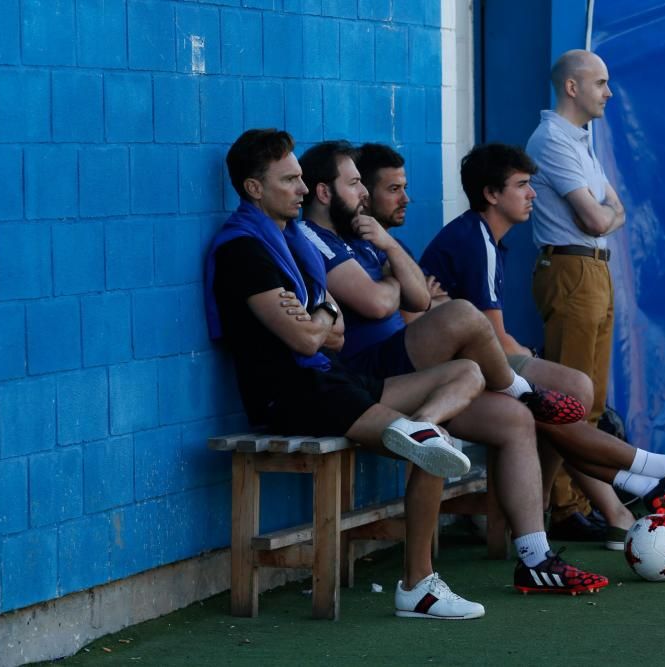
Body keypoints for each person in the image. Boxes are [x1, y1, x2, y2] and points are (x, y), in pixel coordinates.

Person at [296, 139, 610, 595]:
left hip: (410, 372)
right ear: (324, 193)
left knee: (515, 419)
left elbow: (418, 298)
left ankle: (535, 557)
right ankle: (529, 394)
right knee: (463, 314)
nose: (365, 192)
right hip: (367, 378)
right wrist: (392, 281)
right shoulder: (313, 238)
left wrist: (387, 251)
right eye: (356, 183)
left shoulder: (365, 240)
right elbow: (379, 299)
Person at [205, 128, 487, 620]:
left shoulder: (293, 242)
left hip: (333, 381)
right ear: (254, 188)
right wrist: (321, 319)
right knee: (434, 447)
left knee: (466, 374)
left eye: (300, 178)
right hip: (291, 395)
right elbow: (308, 339)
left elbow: (329, 332)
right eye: (289, 179)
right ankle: (418, 584)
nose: (300, 188)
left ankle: (423, 429)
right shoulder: (242, 250)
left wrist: (319, 317)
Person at [419, 143, 665, 522]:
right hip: (450, 374)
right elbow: (495, 338)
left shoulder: (487, 239)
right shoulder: (474, 239)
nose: (532, 193)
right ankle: (660, 470)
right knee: (568, 394)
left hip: (472, 365)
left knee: (568, 397)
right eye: (521, 185)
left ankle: (638, 484)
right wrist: (530, 358)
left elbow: (489, 334)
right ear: (491, 194)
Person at [525, 49, 633, 534]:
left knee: (592, 397)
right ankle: (563, 508)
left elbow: (617, 209)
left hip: (594, 269)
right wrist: (606, 217)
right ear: (572, 87)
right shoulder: (551, 140)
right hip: (571, 268)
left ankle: (575, 502)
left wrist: (606, 216)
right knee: (569, 397)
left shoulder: (578, 141)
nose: (608, 92)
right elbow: (598, 218)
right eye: (601, 83)